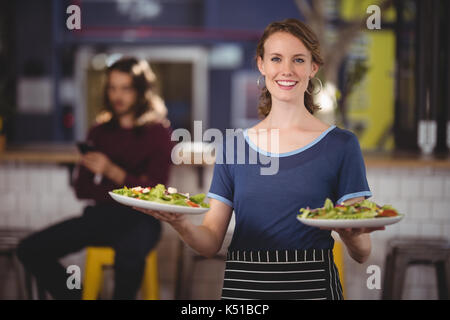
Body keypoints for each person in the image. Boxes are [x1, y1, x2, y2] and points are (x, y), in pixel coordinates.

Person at [134, 19, 383, 300]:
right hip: (245, 292)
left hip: (313, 290)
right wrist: (181, 223)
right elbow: (210, 242)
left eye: (298, 60)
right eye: (276, 59)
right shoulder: (234, 146)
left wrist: (350, 235)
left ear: (313, 67)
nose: (286, 70)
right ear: (261, 64)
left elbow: (362, 252)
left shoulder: (341, 145)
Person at [17, 57, 173, 300]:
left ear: (141, 92)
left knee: (129, 256)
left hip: (143, 220)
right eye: (112, 88)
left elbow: (157, 191)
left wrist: (111, 172)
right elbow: (83, 189)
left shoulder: (158, 132)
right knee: (30, 249)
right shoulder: (99, 131)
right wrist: (126, 183)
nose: (117, 95)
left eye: (125, 88)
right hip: (101, 216)